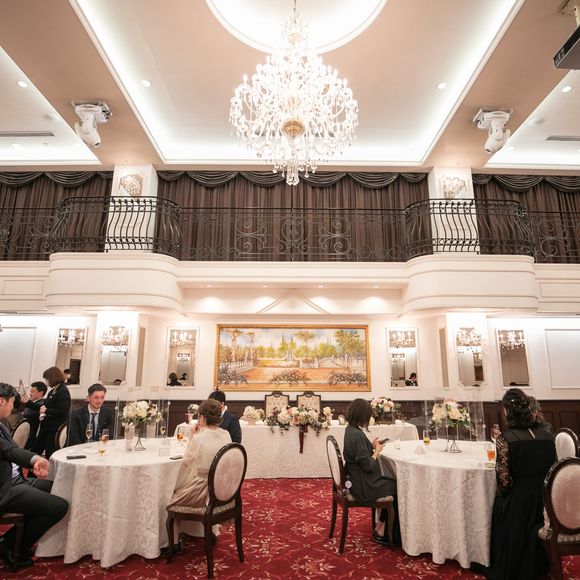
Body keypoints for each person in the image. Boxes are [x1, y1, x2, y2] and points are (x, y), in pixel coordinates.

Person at [485, 388, 556, 580]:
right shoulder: (548, 436)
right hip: (547, 503)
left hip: (520, 505)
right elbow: (553, 470)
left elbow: (504, 483)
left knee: (497, 504)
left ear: (507, 411)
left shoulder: (505, 440)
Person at [0, 383, 69, 569]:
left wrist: (33, 462)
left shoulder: (2, 423)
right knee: (59, 506)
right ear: (1, 401)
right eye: (12, 402)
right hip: (4, 487)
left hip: (15, 479)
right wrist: (35, 459)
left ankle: (15, 543)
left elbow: (11, 451)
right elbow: (8, 450)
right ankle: (9, 545)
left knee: (60, 488)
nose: (13, 406)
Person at [168, 399, 231, 542]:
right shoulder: (225, 434)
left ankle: (174, 540)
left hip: (203, 492)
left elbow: (186, 463)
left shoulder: (199, 439)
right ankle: (204, 530)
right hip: (224, 490)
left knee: (172, 493)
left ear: (201, 417)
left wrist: (192, 437)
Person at [343, 398, 397, 546]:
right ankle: (384, 531)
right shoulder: (358, 435)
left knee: (389, 482)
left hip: (354, 478)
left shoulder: (350, 429)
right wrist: (377, 451)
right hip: (362, 485)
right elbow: (367, 465)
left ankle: (380, 525)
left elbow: (359, 453)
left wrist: (371, 445)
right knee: (394, 485)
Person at [31, 367, 71, 459]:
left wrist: (47, 411)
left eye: (46, 379)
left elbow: (64, 412)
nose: (46, 381)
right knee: (35, 451)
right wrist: (27, 403)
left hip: (55, 429)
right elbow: (43, 407)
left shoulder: (62, 391)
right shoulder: (53, 390)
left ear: (52, 378)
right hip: (47, 426)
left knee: (50, 455)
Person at [20, 381, 47, 449]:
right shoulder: (32, 403)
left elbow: (26, 416)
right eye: (30, 391)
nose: (30, 394)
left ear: (41, 393)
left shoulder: (40, 405)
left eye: (33, 391)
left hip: (29, 438)